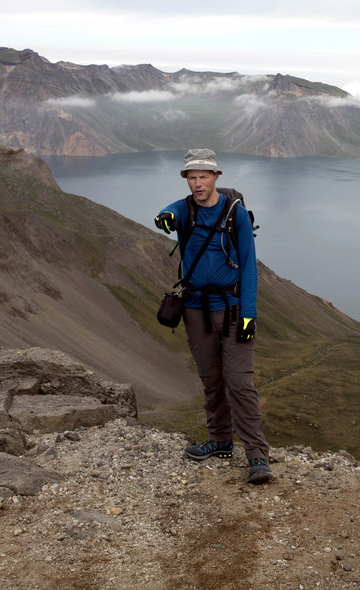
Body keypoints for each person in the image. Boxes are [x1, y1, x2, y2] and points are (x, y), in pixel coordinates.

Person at [154, 149, 273, 484]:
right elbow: (169, 214)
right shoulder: (184, 209)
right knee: (211, 379)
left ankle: (257, 456)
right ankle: (220, 440)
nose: (197, 183)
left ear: (216, 177)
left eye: (203, 176)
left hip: (233, 310)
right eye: (192, 177)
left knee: (239, 382)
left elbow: (249, 266)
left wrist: (249, 315)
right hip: (195, 310)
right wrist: (163, 217)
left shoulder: (236, 214)